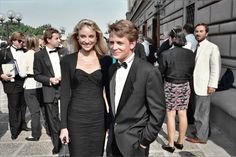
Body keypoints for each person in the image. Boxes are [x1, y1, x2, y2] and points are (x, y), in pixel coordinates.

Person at [106, 19, 166, 157]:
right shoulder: (111, 69)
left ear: (132, 44)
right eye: (111, 42)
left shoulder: (148, 71)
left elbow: (158, 112)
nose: (114, 47)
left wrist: (144, 141)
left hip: (135, 144)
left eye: (120, 43)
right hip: (113, 142)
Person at [59, 19, 112, 157]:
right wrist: (63, 127)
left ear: (97, 37)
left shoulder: (105, 60)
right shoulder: (67, 60)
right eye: (83, 36)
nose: (87, 40)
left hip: (98, 118)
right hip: (75, 119)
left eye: (91, 36)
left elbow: (110, 93)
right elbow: (64, 95)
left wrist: (110, 121)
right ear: (77, 37)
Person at [158, 30, 195, 153]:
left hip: (170, 85)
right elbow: (192, 69)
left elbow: (161, 72)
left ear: (173, 39)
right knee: (183, 113)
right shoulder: (190, 54)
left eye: (170, 37)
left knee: (171, 114)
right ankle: (180, 142)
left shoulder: (166, 54)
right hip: (185, 84)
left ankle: (170, 144)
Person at [186, 23, 221, 144]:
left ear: (206, 33)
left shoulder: (212, 47)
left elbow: (215, 67)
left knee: (201, 113)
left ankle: (201, 138)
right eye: (196, 31)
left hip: (204, 85)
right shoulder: (196, 46)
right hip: (194, 84)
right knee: (198, 112)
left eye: (201, 31)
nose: (198, 33)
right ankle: (202, 132)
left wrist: (212, 85)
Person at [33, 27, 66, 154]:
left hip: (64, 89)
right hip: (49, 90)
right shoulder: (39, 55)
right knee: (52, 120)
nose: (59, 40)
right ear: (48, 39)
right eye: (56, 38)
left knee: (66, 116)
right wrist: (49, 79)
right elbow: (37, 75)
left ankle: (68, 140)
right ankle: (56, 144)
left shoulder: (64, 51)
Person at [0, 32, 30, 140]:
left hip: (24, 81)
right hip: (11, 82)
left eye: (23, 40)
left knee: (23, 105)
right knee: (13, 107)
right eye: (19, 41)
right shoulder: (3, 52)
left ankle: (22, 124)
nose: (22, 42)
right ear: (13, 41)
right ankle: (14, 130)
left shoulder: (25, 51)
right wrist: (1, 75)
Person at [18, 35, 43, 141]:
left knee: (34, 112)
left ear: (27, 43)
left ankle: (35, 134)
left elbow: (22, 74)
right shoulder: (41, 54)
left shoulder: (24, 56)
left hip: (29, 85)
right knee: (45, 110)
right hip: (41, 84)